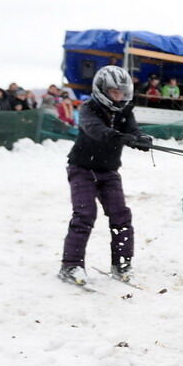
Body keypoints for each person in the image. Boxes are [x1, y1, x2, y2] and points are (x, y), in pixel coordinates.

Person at [59, 66, 152, 287]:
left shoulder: (125, 111)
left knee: (121, 215)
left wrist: (141, 139)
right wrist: (120, 137)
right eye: (113, 91)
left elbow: (134, 130)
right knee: (85, 214)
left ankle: (121, 264)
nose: (118, 96)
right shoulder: (88, 108)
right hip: (82, 169)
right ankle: (71, 265)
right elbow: (96, 130)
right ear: (102, 90)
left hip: (109, 171)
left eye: (122, 92)